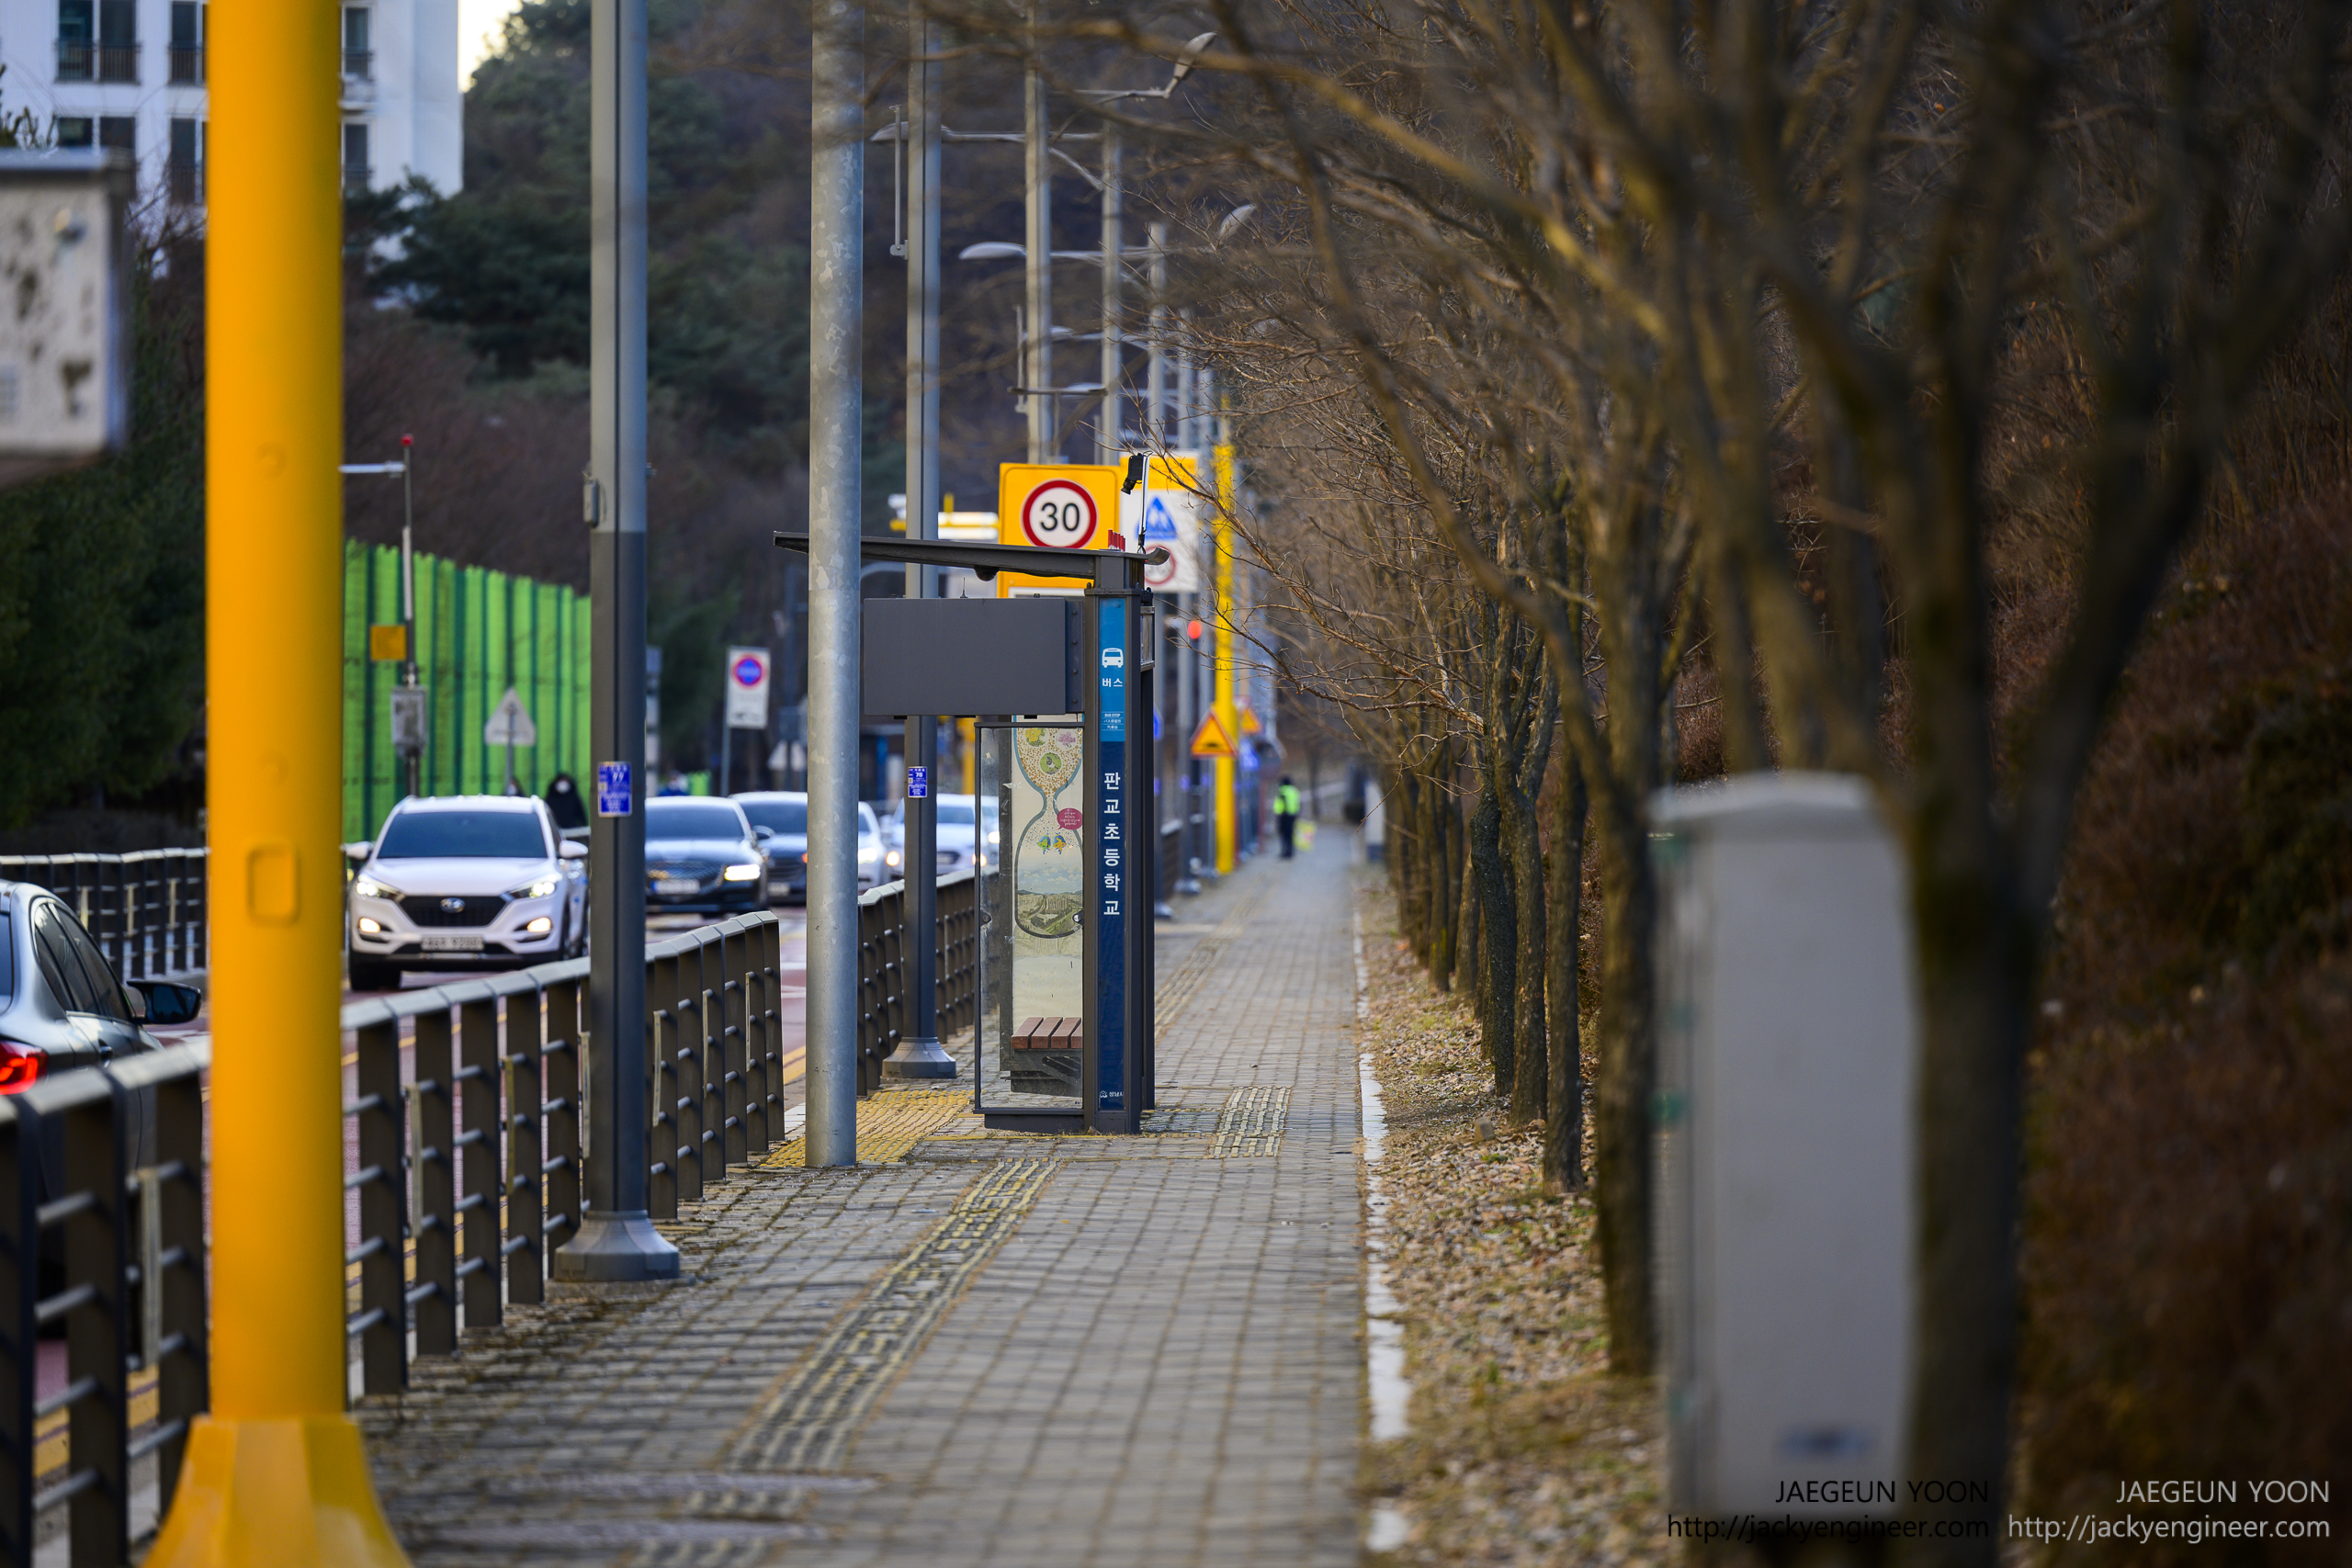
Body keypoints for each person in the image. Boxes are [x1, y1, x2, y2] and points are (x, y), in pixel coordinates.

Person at [1274, 774, 1302, 859]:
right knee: (1291, 835)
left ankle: (1284, 852)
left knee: (1284, 835)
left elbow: (1279, 805)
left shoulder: (1283, 791)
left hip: (1284, 816)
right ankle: (1290, 852)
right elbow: (1298, 803)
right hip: (1293, 815)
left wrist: (1278, 813)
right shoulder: (1295, 791)